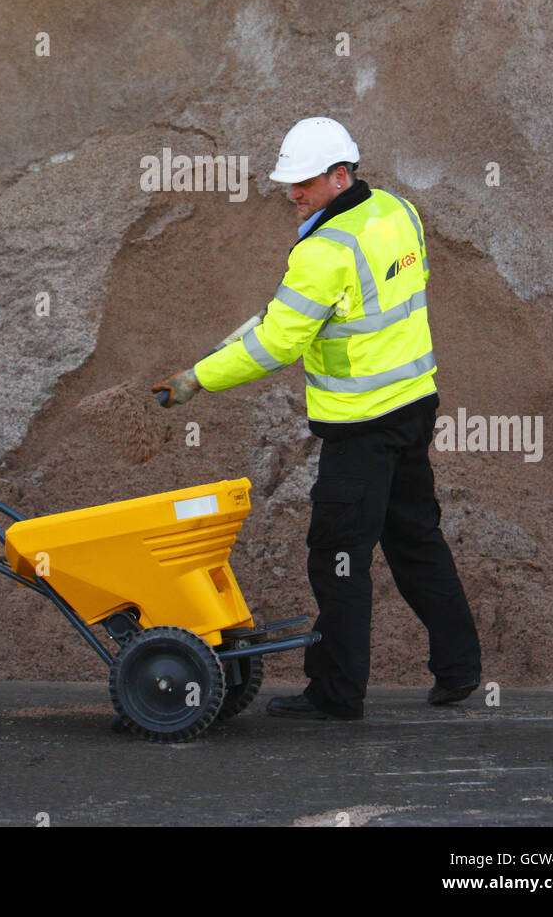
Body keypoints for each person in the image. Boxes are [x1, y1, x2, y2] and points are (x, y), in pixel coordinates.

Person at [153, 117, 481, 721]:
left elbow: (277, 343)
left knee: (337, 555)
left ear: (339, 175)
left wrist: (199, 378)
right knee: (415, 538)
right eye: (290, 184)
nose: (293, 194)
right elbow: (394, 294)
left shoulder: (323, 251)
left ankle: (336, 693)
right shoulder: (396, 212)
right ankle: (460, 669)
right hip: (414, 405)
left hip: (362, 426)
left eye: (303, 183)